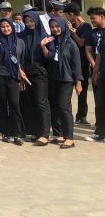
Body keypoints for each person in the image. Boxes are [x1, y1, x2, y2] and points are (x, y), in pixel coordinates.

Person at [41, 17, 83, 148]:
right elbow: (47, 58)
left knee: (64, 107)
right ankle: (59, 135)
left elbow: (77, 66)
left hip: (66, 80)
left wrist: (78, 83)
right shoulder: (50, 41)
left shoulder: (71, 44)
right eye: (52, 26)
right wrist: (43, 46)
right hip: (52, 79)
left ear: (63, 26)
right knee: (54, 106)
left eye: (57, 26)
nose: (55, 29)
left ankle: (69, 138)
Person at [0, 17, 27, 145]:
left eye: (7, 26)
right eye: (2, 27)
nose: (5, 29)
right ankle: (5, 132)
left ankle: (17, 134)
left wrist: (21, 78)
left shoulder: (20, 42)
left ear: (12, 27)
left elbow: (21, 61)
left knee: (14, 104)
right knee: (1, 105)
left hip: (14, 77)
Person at [18, 10, 51, 145]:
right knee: (28, 102)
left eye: (32, 21)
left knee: (40, 102)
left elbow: (50, 57)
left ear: (37, 21)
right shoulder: (21, 36)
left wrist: (43, 46)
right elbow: (17, 54)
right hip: (25, 72)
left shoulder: (45, 36)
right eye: (27, 22)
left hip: (39, 72)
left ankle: (44, 134)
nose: (30, 23)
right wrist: (20, 70)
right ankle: (33, 131)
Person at [66, 3, 92, 124]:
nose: (66, 18)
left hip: (82, 63)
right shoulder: (71, 25)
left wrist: (72, 32)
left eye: (67, 15)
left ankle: (81, 116)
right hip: (70, 63)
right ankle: (67, 115)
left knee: (82, 90)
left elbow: (82, 43)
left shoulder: (86, 26)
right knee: (67, 90)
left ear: (72, 14)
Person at [85, 7, 105, 141]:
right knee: (100, 103)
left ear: (102, 16)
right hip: (102, 74)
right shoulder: (95, 34)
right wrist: (95, 72)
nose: (92, 20)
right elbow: (99, 54)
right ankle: (99, 133)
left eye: (94, 17)